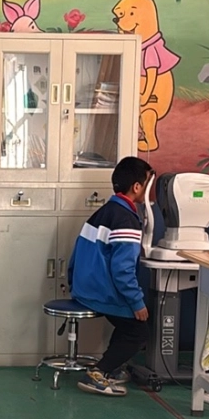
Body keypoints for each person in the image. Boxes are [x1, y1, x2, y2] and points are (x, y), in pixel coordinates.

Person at [68, 156, 153, 397]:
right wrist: (136, 302)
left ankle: (111, 368)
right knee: (139, 329)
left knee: (129, 324)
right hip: (101, 292)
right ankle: (98, 372)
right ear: (136, 186)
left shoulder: (105, 212)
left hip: (84, 288)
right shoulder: (126, 219)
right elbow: (122, 271)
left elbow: (76, 256)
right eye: (147, 183)